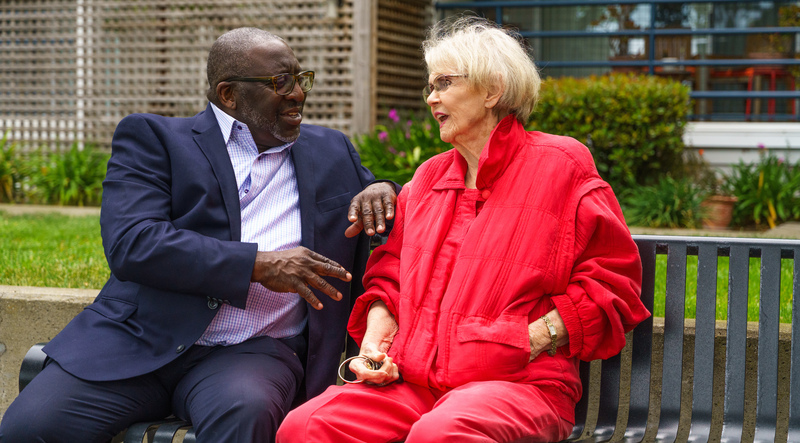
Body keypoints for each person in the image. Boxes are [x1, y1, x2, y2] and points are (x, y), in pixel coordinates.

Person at [0, 27, 397, 443]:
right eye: (280, 82)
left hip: (253, 351)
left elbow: (397, 206)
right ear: (229, 95)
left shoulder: (331, 150)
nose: (298, 93)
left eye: (301, 79)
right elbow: (134, 242)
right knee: (31, 428)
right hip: (138, 341)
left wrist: (383, 188)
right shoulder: (157, 140)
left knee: (246, 414)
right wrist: (258, 265)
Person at [277, 16, 651, 443]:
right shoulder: (428, 177)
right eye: (430, 87)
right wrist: (375, 346)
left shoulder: (562, 165)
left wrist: (530, 338)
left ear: (492, 89)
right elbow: (390, 276)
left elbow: (613, 282)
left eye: (444, 84)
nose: (432, 98)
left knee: (441, 433)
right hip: (413, 383)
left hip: (520, 385)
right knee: (305, 427)